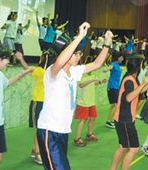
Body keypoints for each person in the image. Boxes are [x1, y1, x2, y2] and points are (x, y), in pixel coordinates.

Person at [37, 22, 113, 170]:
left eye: (79, 53)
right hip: (49, 130)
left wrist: (107, 44)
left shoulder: (74, 71)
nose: (79, 56)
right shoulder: (53, 72)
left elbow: (97, 63)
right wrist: (79, 37)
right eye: (76, 53)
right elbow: (59, 61)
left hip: (63, 131)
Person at [110, 54, 148, 170]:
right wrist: (143, 83)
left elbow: (138, 92)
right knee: (133, 148)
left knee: (122, 146)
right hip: (125, 119)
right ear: (138, 66)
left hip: (123, 118)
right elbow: (128, 98)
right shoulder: (129, 80)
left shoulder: (131, 78)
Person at [15, 51, 47, 165]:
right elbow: (28, 68)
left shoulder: (50, 72)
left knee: (41, 128)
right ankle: (37, 153)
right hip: (37, 102)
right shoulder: (40, 70)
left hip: (45, 103)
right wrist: (21, 58)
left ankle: (35, 151)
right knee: (40, 129)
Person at [73, 76, 107, 147]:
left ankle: (89, 134)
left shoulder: (91, 74)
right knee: (82, 120)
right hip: (83, 102)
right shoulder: (81, 74)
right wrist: (93, 79)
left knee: (93, 118)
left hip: (91, 101)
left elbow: (94, 83)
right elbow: (81, 85)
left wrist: (100, 82)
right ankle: (77, 139)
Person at [105, 51, 124, 129]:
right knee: (114, 105)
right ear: (117, 57)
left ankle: (110, 120)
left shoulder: (118, 65)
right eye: (121, 57)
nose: (122, 59)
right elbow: (110, 67)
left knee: (114, 105)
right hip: (112, 87)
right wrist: (106, 69)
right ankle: (108, 121)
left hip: (115, 87)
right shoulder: (113, 64)